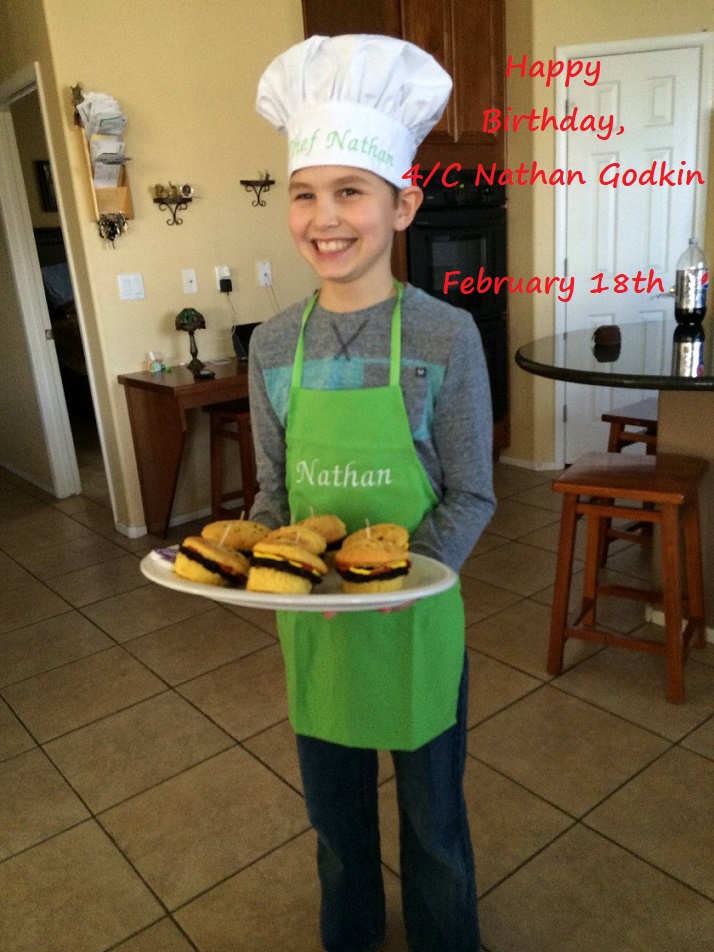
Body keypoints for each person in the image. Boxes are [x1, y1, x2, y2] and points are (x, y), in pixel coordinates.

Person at [248, 34, 496, 952]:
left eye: (351, 191)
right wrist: (243, 553)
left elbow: (472, 492)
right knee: (337, 831)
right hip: (315, 630)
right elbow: (277, 495)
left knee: (433, 826)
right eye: (305, 193)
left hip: (417, 623)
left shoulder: (444, 335)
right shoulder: (272, 345)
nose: (325, 217)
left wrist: (401, 580)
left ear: (403, 205)